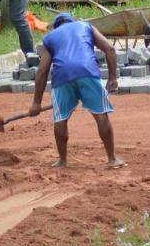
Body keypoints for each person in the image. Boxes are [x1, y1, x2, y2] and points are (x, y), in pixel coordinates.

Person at [28, 13, 126, 169]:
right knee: (101, 116)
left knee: (60, 119)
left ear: (56, 26)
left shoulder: (49, 38)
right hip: (87, 71)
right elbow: (110, 49)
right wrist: (113, 78)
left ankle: (62, 161)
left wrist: (36, 103)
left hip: (62, 76)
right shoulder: (86, 26)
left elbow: (42, 71)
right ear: (73, 21)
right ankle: (112, 159)